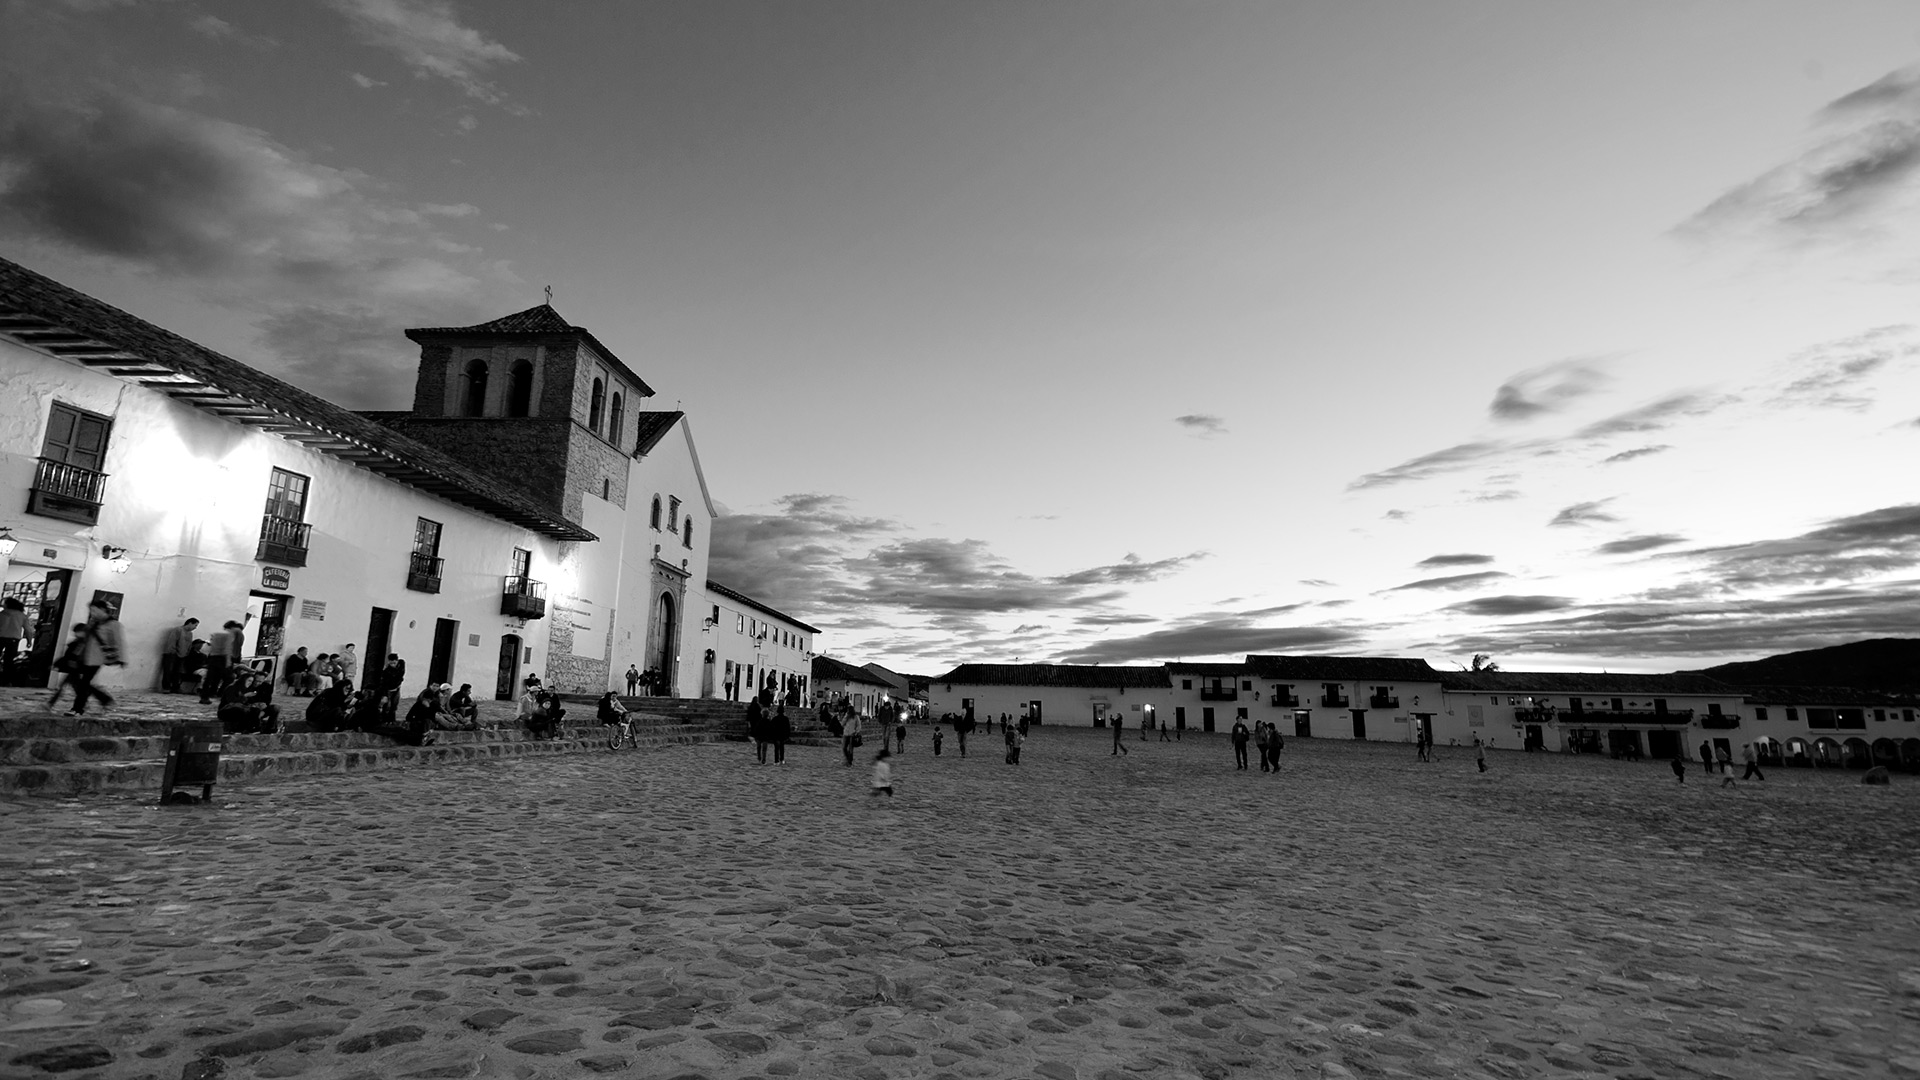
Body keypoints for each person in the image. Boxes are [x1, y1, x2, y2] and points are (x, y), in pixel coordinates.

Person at [63, 599, 124, 716]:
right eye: (91, 610)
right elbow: (84, 641)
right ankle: (103, 700)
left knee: (83, 683)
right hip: (84, 657)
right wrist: (75, 655)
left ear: (102, 610)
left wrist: (121, 658)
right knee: (80, 682)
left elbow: (118, 641)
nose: (92, 613)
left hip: (97, 659)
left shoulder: (113, 624)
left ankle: (78, 708)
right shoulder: (93, 623)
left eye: (94, 610)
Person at [200, 620, 244, 705]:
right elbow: (227, 649)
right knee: (229, 677)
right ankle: (221, 694)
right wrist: (228, 661)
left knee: (211, 678)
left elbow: (211, 646)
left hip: (213, 657)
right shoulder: (229, 635)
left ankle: (205, 696)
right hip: (222, 658)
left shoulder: (216, 634)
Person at [48, 623, 90, 711]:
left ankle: (51, 703)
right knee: (75, 687)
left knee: (67, 686)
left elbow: (73, 655)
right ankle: (83, 701)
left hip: (75, 668)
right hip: (73, 668)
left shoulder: (82, 643)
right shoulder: (79, 642)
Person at [157, 616, 198, 693]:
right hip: (172, 654)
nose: (195, 627)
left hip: (183, 655)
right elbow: (172, 641)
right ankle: (166, 687)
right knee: (168, 671)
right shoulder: (178, 630)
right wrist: (173, 651)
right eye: (195, 625)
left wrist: (187, 653)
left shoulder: (190, 634)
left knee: (178, 672)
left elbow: (189, 644)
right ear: (190, 623)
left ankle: (175, 687)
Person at [747, 698, 769, 764]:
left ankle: (759, 757)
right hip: (765, 736)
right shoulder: (767, 721)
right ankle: (763, 759)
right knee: (764, 749)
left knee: (759, 747)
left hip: (759, 735)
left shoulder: (751, 707)